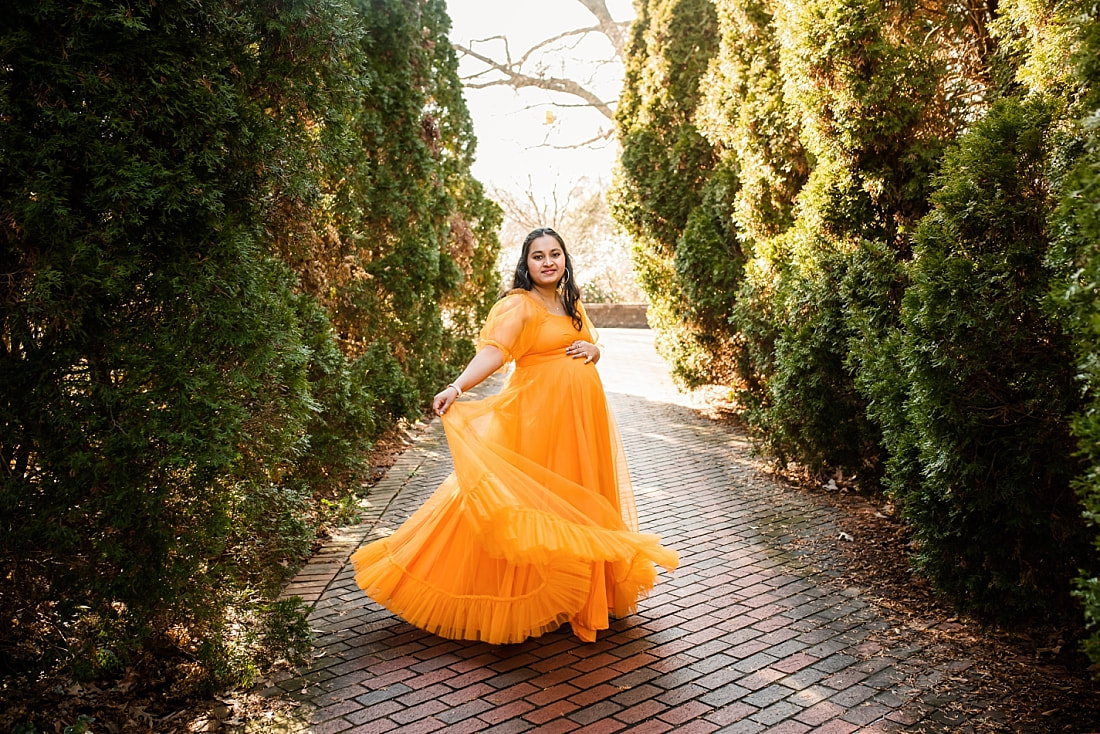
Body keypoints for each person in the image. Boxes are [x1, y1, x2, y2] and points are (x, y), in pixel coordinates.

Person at [350, 227, 678, 644]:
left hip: (583, 421)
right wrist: (456, 387)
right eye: (538, 256)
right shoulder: (517, 305)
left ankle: (583, 594)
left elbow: (587, 343)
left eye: (555, 254)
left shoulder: (570, 300)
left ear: (564, 259)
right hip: (538, 418)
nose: (548, 262)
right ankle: (479, 582)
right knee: (527, 500)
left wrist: (594, 352)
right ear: (526, 264)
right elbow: (493, 352)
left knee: (579, 496)